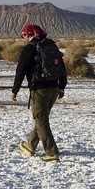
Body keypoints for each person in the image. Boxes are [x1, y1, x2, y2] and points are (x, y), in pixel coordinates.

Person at [9, 23, 67, 161]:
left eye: (23, 35)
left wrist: (15, 90)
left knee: (40, 119)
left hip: (39, 90)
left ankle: (51, 153)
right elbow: (62, 67)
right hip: (53, 88)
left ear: (30, 35)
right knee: (41, 118)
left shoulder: (29, 48)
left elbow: (20, 70)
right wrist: (61, 86)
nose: (22, 38)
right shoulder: (50, 46)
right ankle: (30, 145)